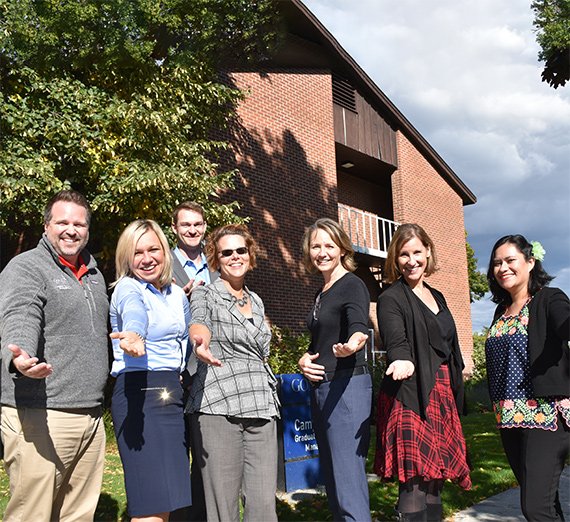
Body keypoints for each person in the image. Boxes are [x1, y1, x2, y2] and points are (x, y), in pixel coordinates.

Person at [0, 190, 109, 521]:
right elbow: (21, 313)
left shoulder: (94, 273)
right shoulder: (28, 267)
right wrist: (22, 357)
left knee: (78, 514)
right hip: (41, 414)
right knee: (31, 514)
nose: (71, 230)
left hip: (90, 415)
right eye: (62, 222)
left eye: (79, 223)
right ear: (46, 225)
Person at [373, 223, 471, 522]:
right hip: (410, 394)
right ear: (395, 258)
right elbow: (396, 340)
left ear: (428, 252)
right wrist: (401, 359)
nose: (411, 260)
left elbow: (447, 344)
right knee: (414, 482)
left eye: (417, 251)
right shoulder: (391, 298)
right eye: (403, 254)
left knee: (435, 481)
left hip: (441, 393)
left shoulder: (438, 296)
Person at [186, 224, 280, 522]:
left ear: (250, 254)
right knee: (222, 508)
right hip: (218, 402)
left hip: (261, 405)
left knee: (264, 505)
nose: (235, 257)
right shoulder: (205, 294)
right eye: (227, 252)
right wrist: (199, 342)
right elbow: (199, 323)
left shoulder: (258, 299)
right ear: (216, 258)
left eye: (241, 250)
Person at [109, 219, 192, 522]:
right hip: (138, 395)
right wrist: (133, 335)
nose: (146, 259)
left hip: (171, 394)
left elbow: (183, 337)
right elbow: (134, 313)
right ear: (127, 259)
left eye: (153, 249)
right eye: (137, 252)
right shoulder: (127, 288)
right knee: (150, 505)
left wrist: (181, 368)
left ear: (165, 251)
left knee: (166, 501)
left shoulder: (177, 295)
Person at [485, 235, 570, 521]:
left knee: (535, 508)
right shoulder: (501, 311)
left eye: (510, 260)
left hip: (545, 415)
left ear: (530, 262)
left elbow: (565, 322)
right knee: (545, 503)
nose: (502, 268)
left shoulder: (549, 298)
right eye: (497, 263)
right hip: (508, 418)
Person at [298, 218, 372, 522]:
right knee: (333, 480)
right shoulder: (323, 290)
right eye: (316, 246)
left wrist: (353, 343)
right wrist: (304, 359)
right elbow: (320, 340)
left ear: (342, 248)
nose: (322, 251)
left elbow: (358, 323)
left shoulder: (351, 284)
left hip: (346, 388)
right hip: (323, 388)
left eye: (329, 245)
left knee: (348, 483)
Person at [170, 201, 219, 522]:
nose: (192, 230)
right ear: (174, 228)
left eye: (198, 224)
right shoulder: (160, 263)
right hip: (173, 375)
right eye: (186, 225)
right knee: (175, 456)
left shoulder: (216, 268)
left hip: (208, 376)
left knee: (206, 458)